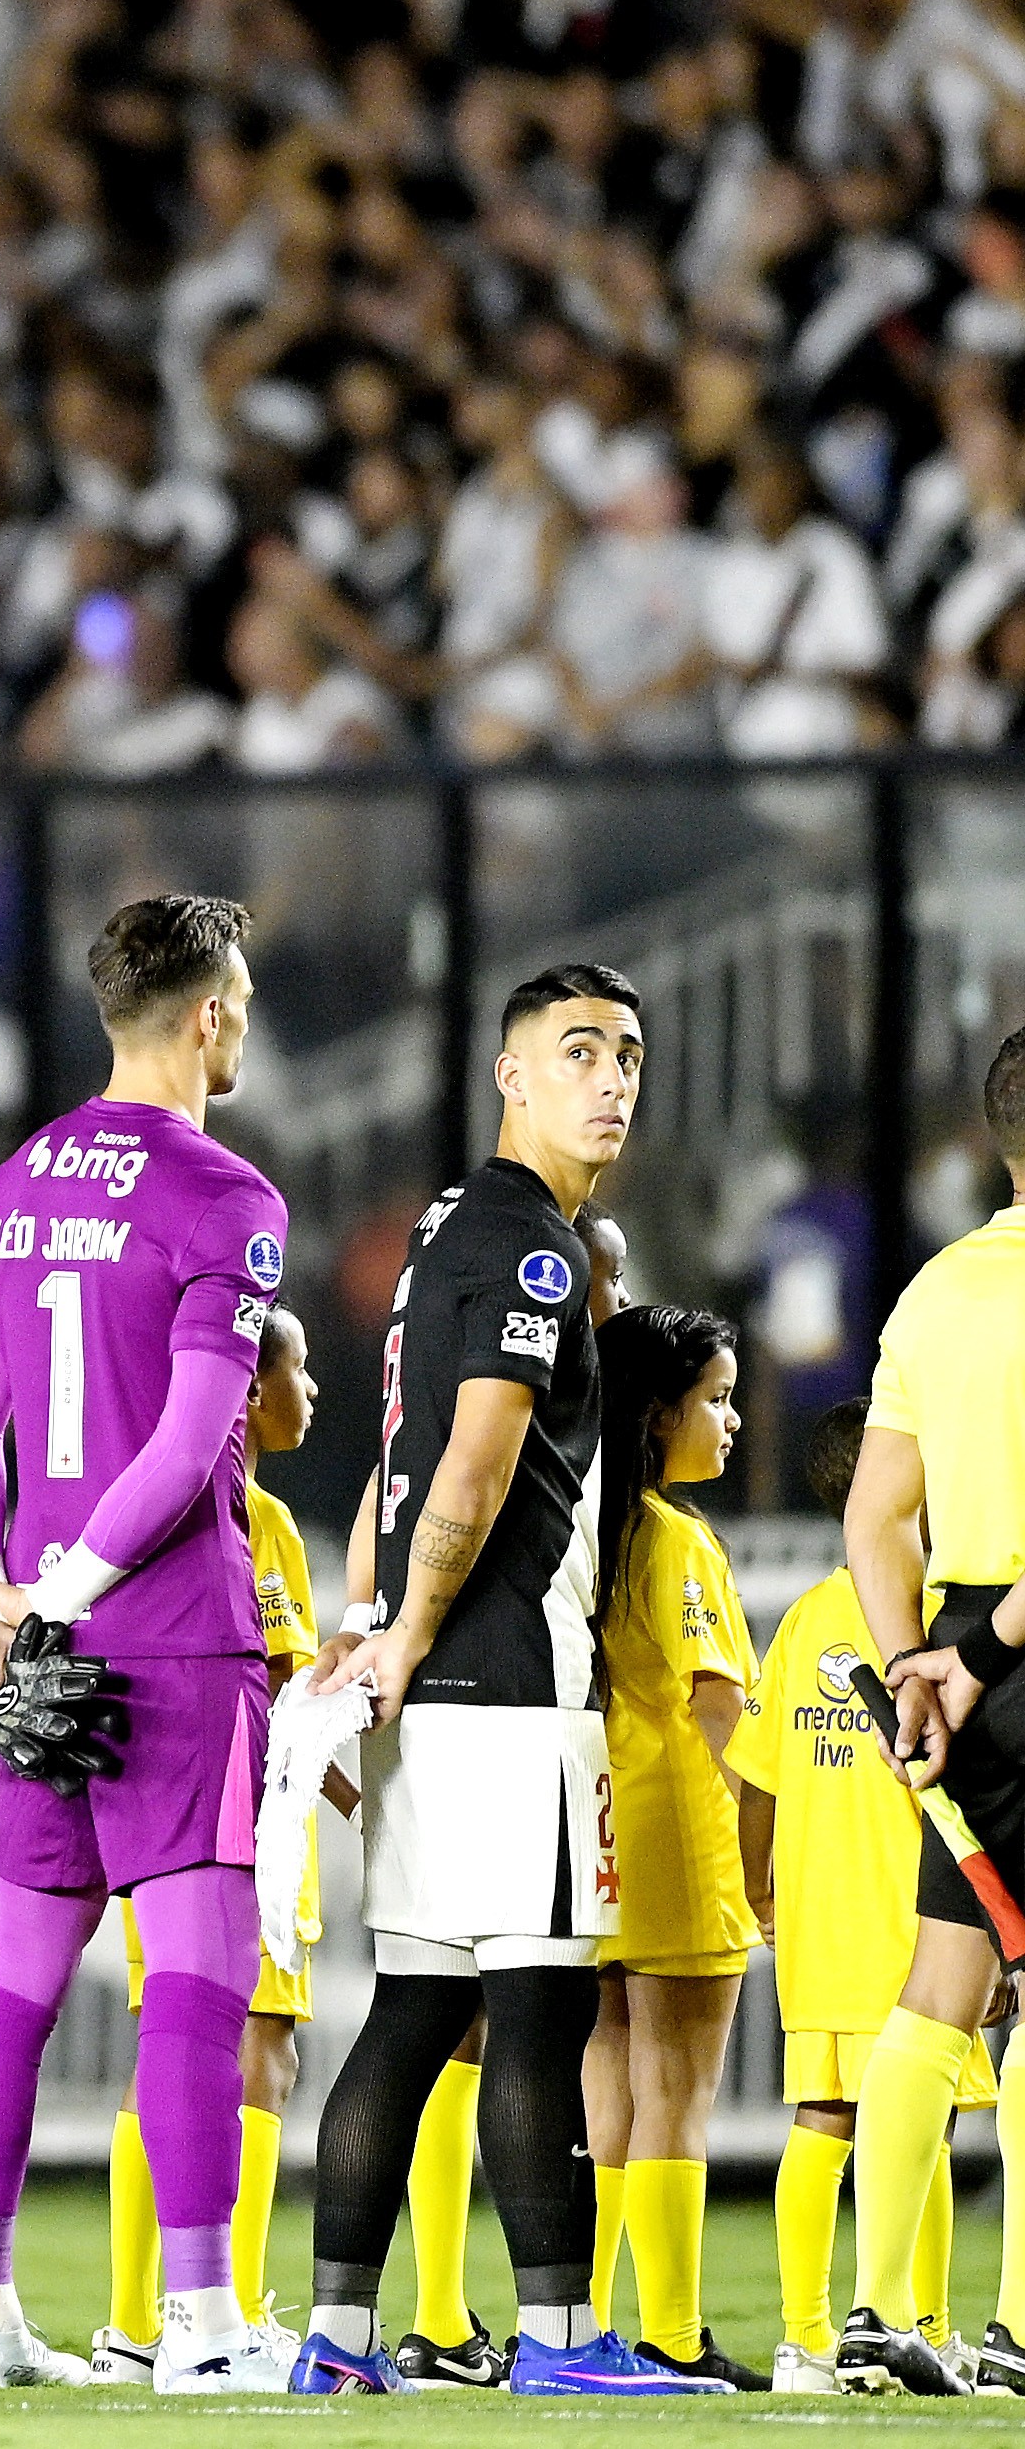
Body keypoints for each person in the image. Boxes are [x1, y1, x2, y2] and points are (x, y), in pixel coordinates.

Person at [301, 963, 699, 2396]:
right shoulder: (532, 1247)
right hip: (509, 1683)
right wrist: (403, 1635)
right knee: (539, 2013)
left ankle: (338, 2338)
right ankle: (562, 2338)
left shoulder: (443, 1231)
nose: (612, 1080)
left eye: (628, 1055)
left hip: (431, 1691)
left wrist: (370, 1626)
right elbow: (469, 1466)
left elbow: (394, 1465)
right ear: (510, 1075)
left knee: (414, 2008)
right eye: (579, 1051)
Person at [0, 893, 294, 2395]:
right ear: (209, 1014)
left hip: (33, 1650)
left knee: (14, 1972)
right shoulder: (225, 1195)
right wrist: (68, 1588)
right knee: (196, 1975)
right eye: (241, 1001)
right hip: (173, 1634)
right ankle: (199, 2325)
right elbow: (195, 1439)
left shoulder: (6, 1191)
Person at [737, 1400, 1016, 2394]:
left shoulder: (807, 1615)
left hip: (821, 1919)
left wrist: (759, 1888)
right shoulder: (940, 1622)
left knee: (821, 2118)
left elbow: (758, 1773)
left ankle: (804, 2343)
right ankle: (920, 2325)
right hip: (917, 1918)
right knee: (922, 2120)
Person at [835, 1024, 1025, 2395]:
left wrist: (920, 1661)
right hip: (1005, 1643)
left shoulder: (936, 1292)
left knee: (941, 1986)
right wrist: (989, 1651)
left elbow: (872, 1516)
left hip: (958, 1644)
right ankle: (1017, 2324)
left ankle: (875, 2308)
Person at [97, 1304, 332, 2380]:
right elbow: (284, 1692)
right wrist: (365, 1794)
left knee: (164, 2048)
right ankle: (222, 2313)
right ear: (247, 1388)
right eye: (296, 1370)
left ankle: (129, 2324)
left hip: (159, 1812)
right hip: (243, 1822)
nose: (309, 1391)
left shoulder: (145, 1500)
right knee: (258, 2053)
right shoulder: (257, 1516)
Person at [583, 1305, 762, 2388]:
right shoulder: (676, 1538)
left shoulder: (587, 1523)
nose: (731, 1419)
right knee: (679, 2090)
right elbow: (716, 1705)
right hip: (681, 1831)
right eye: (715, 1399)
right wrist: (769, 1844)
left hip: (602, 1829)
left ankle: (585, 2326)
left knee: (610, 2086)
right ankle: (676, 2333)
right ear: (658, 1414)